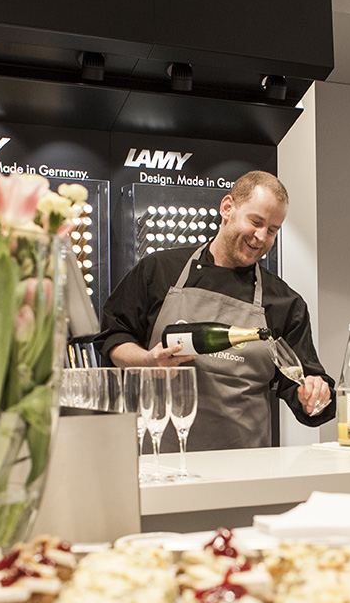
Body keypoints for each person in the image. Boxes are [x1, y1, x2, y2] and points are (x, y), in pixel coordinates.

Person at [98, 171, 334, 451]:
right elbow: (113, 336)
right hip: (159, 461)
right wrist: (147, 360)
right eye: (255, 222)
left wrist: (316, 394)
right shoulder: (159, 270)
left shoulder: (284, 302)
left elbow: (304, 385)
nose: (261, 237)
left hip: (244, 468)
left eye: (272, 230)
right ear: (227, 208)